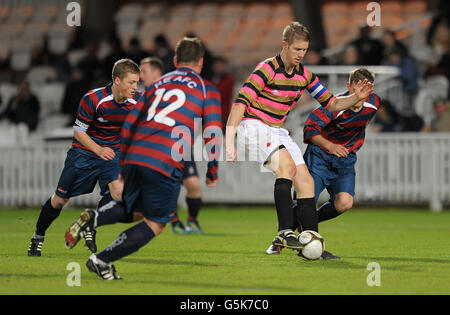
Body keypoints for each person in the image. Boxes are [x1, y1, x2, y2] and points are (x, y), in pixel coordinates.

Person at [64, 37, 222, 280]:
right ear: (201, 62)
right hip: (166, 160)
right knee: (157, 222)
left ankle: (95, 217)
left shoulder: (157, 85)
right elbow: (212, 132)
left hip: (136, 154)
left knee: (135, 210)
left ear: (175, 61)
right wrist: (213, 170)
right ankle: (101, 260)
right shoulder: (206, 88)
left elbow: (130, 124)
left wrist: (123, 162)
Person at [225, 22, 373, 259]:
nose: (300, 55)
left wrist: (355, 97)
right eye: (297, 50)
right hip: (253, 126)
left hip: (276, 130)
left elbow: (332, 104)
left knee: (306, 182)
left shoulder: (304, 74)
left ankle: (311, 241)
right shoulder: (266, 69)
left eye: (304, 50)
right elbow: (240, 103)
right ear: (285, 45)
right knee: (288, 167)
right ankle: (284, 231)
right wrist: (229, 140)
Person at [27, 59, 141, 257]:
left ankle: (91, 221)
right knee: (60, 200)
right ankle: (38, 237)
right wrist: (98, 150)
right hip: (84, 153)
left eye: (137, 82)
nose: (135, 87)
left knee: (118, 193)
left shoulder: (138, 101)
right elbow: (79, 131)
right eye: (131, 83)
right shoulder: (93, 99)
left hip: (112, 154)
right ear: (117, 80)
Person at [277, 68, 380, 259]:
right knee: (306, 200)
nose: (361, 94)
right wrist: (331, 146)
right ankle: (289, 236)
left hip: (345, 160)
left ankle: (296, 229)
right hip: (320, 157)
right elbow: (309, 129)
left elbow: (358, 125)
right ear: (349, 86)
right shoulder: (333, 107)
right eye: (358, 88)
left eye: (366, 88)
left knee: (344, 203)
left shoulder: (374, 103)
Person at [139, 55, 210, 234]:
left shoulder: (174, 91)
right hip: (156, 149)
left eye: (143, 71)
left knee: (193, 185)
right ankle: (174, 222)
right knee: (168, 185)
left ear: (156, 72)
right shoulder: (140, 95)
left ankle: (192, 220)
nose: (140, 76)